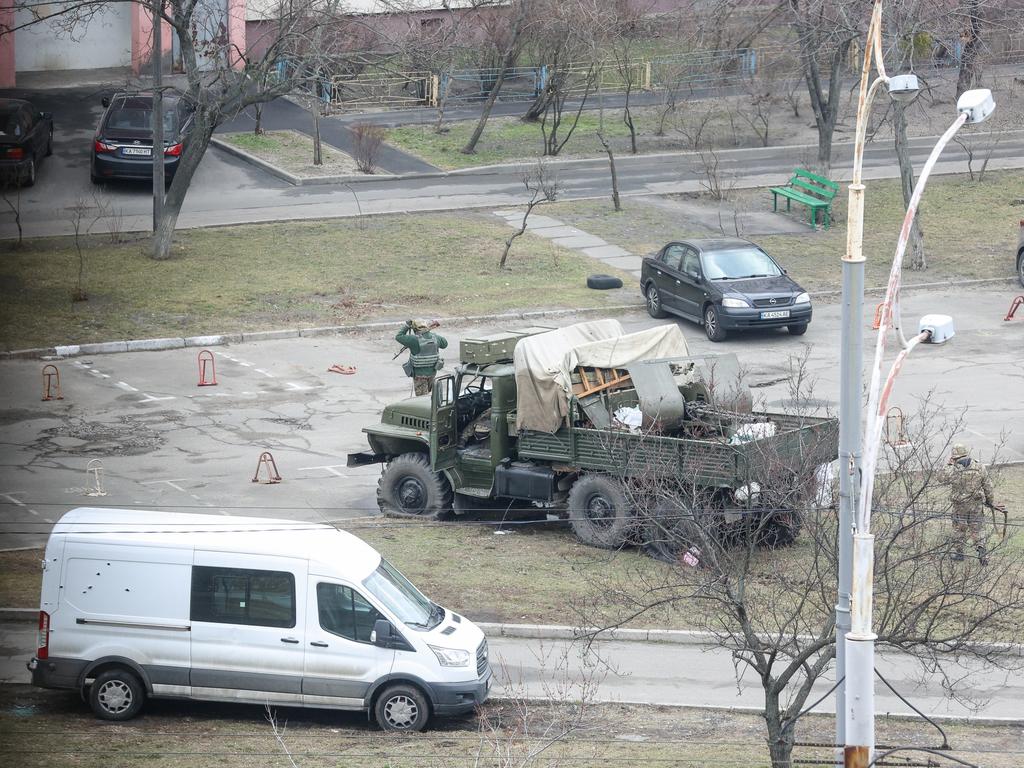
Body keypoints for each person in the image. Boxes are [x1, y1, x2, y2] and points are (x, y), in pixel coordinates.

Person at [946, 443, 1002, 565]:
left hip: (959, 506)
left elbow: (941, 478)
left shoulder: (953, 469)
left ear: (954, 456)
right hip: (976, 505)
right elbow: (988, 486)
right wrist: (990, 502)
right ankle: (982, 552)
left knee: (959, 529)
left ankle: (959, 554)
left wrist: (948, 465)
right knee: (978, 528)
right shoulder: (979, 467)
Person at [396, 319, 448, 396]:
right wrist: (431, 333)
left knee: (422, 399)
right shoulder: (435, 337)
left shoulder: (413, 340)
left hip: (419, 375)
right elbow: (445, 344)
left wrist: (406, 326)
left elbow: (398, 336)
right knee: (429, 397)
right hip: (432, 373)